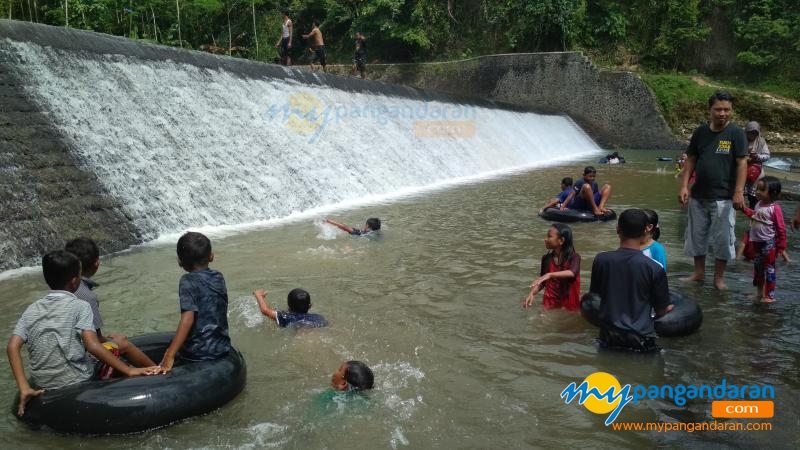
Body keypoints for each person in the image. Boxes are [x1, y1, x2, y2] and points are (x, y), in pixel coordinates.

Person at [7, 251, 158, 416]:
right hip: (76, 380)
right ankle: (158, 373)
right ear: (74, 281)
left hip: (42, 382)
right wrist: (129, 371)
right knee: (119, 344)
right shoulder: (80, 306)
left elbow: (12, 347)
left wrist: (24, 387)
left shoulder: (32, 309)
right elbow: (92, 346)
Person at [678, 91, 748, 290]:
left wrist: (738, 192)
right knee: (696, 235)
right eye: (718, 109)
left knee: (723, 238)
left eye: (727, 110)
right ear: (710, 110)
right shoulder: (700, 132)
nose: (722, 113)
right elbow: (691, 159)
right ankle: (699, 273)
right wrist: (684, 186)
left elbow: (742, 163)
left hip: (724, 197)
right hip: (698, 195)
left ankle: (719, 278)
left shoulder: (736, 133)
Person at [65, 238, 157, 373]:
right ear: (96, 264)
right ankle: (157, 371)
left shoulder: (64, 287)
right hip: (82, 356)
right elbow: (95, 341)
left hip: (67, 352)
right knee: (123, 343)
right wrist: (113, 339)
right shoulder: (87, 296)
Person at [590, 209, 673, 353]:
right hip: (641, 342)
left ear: (617, 229)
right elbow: (661, 310)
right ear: (644, 231)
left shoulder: (601, 260)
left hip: (607, 339)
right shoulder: (655, 268)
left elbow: (595, 296)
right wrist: (668, 308)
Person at [159, 232, 231, 374]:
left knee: (165, 360)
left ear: (179, 261)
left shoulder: (187, 281)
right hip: (222, 347)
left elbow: (188, 318)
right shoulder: (218, 276)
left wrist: (170, 355)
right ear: (211, 256)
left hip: (198, 354)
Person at [740, 176, 788, 303]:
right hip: (757, 243)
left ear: (772, 193)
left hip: (768, 244)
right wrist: (743, 209)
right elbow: (754, 215)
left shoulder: (774, 208)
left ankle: (769, 296)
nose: (757, 191)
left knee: (769, 270)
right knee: (758, 268)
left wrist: (781, 245)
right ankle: (759, 294)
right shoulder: (758, 204)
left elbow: (781, 228)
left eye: (762, 189)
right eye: (757, 188)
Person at [522, 223, 581, 311]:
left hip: (569, 305)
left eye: (549, 236)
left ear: (561, 240)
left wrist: (549, 275)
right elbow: (543, 282)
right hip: (549, 303)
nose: (545, 239)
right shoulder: (546, 258)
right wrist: (532, 294)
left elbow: (572, 272)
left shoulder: (574, 257)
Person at [252, 288, 328, 328]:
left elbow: (265, 310)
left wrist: (259, 295)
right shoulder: (318, 318)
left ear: (288, 306)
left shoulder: (286, 317)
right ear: (310, 306)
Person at [744, 121, 771, 209]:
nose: (753, 135)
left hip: (756, 172)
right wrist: (745, 157)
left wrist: (757, 157)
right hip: (741, 170)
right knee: (739, 195)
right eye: (751, 133)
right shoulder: (740, 139)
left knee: (755, 198)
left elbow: (767, 156)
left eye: (755, 133)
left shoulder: (761, 142)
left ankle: (754, 214)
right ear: (746, 131)